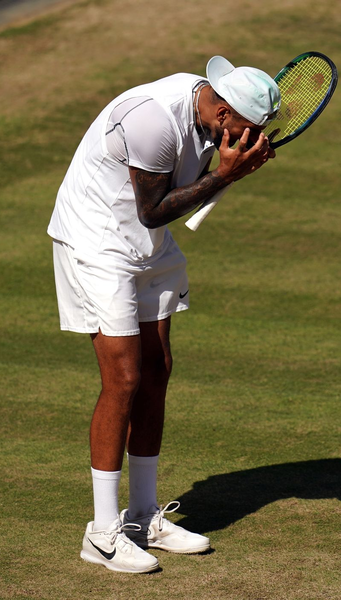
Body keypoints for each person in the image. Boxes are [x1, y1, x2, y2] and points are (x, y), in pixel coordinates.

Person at [47, 56, 281, 573]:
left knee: (156, 373)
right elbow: (152, 207)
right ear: (222, 111)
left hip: (148, 243)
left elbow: (169, 212)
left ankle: (142, 515)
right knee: (124, 379)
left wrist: (226, 174)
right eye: (247, 128)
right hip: (97, 241)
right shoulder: (153, 121)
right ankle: (102, 535)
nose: (252, 137)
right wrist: (226, 174)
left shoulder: (211, 119)